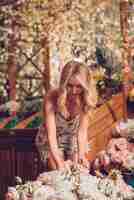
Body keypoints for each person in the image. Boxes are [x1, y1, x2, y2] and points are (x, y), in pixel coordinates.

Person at [36, 60, 98, 171]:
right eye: (69, 85)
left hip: (72, 137)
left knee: (78, 170)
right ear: (63, 83)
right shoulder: (51, 97)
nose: (74, 91)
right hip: (51, 139)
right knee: (58, 170)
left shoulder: (86, 99)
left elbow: (82, 132)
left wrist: (81, 156)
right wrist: (59, 162)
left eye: (79, 86)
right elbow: (51, 136)